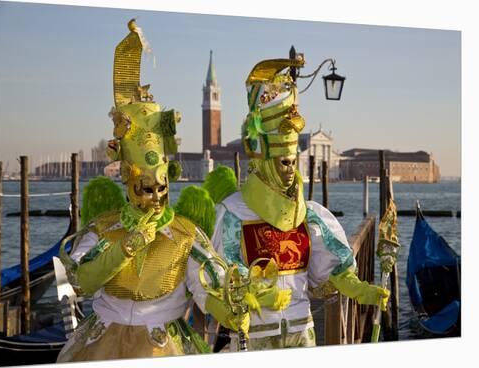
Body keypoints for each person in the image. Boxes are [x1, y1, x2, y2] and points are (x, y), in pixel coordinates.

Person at [56, 20, 248, 362]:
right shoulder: (106, 229)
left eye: (162, 188)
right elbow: (82, 282)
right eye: (145, 189)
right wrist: (125, 248)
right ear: (128, 183)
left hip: (164, 346)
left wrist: (233, 311)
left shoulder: (185, 235)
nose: (156, 198)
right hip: (102, 345)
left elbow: (208, 288)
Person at [210, 58, 390, 350]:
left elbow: (327, 269)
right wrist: (250, 295)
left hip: (302, 334)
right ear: (262, 159)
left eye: (293, 161)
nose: (289, 169)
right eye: (282, 161)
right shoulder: (231, 214)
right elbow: (218, 278)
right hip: (254, 337)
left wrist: (356, 287)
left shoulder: (310, 215)